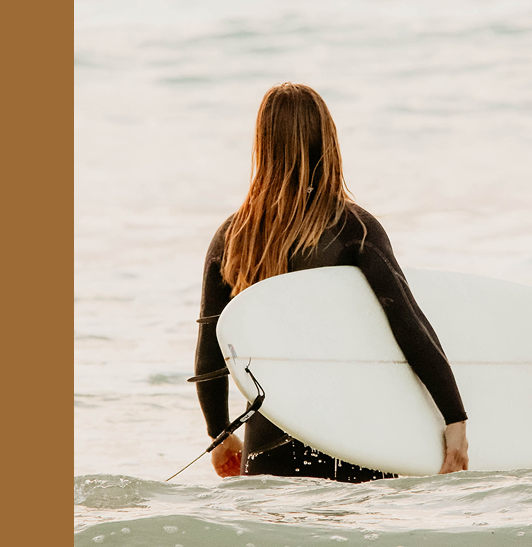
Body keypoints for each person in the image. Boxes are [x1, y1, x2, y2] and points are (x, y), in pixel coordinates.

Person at [192, 82, 469, 482]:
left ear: (263, 146)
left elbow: (210, 353)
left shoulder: (232, 237)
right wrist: (454, 417)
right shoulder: (353, 229)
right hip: (351, 437)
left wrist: (219, 434)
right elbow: (407, 324)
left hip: (268, 442)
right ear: (328, 140)